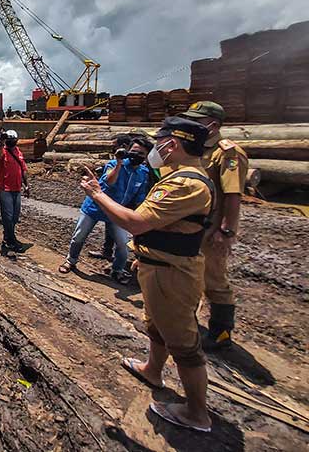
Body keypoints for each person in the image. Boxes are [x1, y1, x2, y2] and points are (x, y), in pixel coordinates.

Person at [80, 117, 214, 433]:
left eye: (160, 143)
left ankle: (197, 412)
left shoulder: (187, 184)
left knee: (183, 343)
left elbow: (136, 222)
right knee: (156, 326)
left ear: (172, 145)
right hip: (158, 266)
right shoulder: (176, 176)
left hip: (174, 274)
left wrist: (97, 194)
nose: (154, 149)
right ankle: (153, 370)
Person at [180, 101, 248, 350]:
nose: (190, 124)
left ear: (213, 125)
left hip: (212, 229)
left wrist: (227, 231)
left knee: (214, 278)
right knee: (188, 275)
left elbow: (233, 195)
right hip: (192, 226)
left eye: (196, 121)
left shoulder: (227, 153)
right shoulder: (196, 149)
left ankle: (221, 333)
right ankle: (188, 323)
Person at [59, 137, 153, 284]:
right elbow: (109, 182)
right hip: (94, 208)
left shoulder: (143, 173)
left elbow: (139, 197)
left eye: (141, 153)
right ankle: (71, 260)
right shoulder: (113, 164)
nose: (136, 155)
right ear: (128, 151)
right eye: (133, 151)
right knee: (79, 237)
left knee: (123, 244)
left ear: (146, 156)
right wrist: (120, 164)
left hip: (117, 212)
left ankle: (118, 270)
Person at [88, 134, 133, 261]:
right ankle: (107, 251)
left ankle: (121, 264)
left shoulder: (134, 165)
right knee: (110, 228)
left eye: (115, 146)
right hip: (113, 200)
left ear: (123, 147)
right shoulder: (114, 163)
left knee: (121, 236)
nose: (113, 149)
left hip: (123, 202)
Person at [0, 130, 31, 257]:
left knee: (15, 217)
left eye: (13, 140)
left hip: (17, 188)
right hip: (5, 189)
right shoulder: (3, 151)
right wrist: (1, 144)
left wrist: (26, 185)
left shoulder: (18, 151)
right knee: (7, 216)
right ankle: (11, 241)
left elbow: (23, 169)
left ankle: (7, 236)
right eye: (9, 141)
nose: (11, 143)